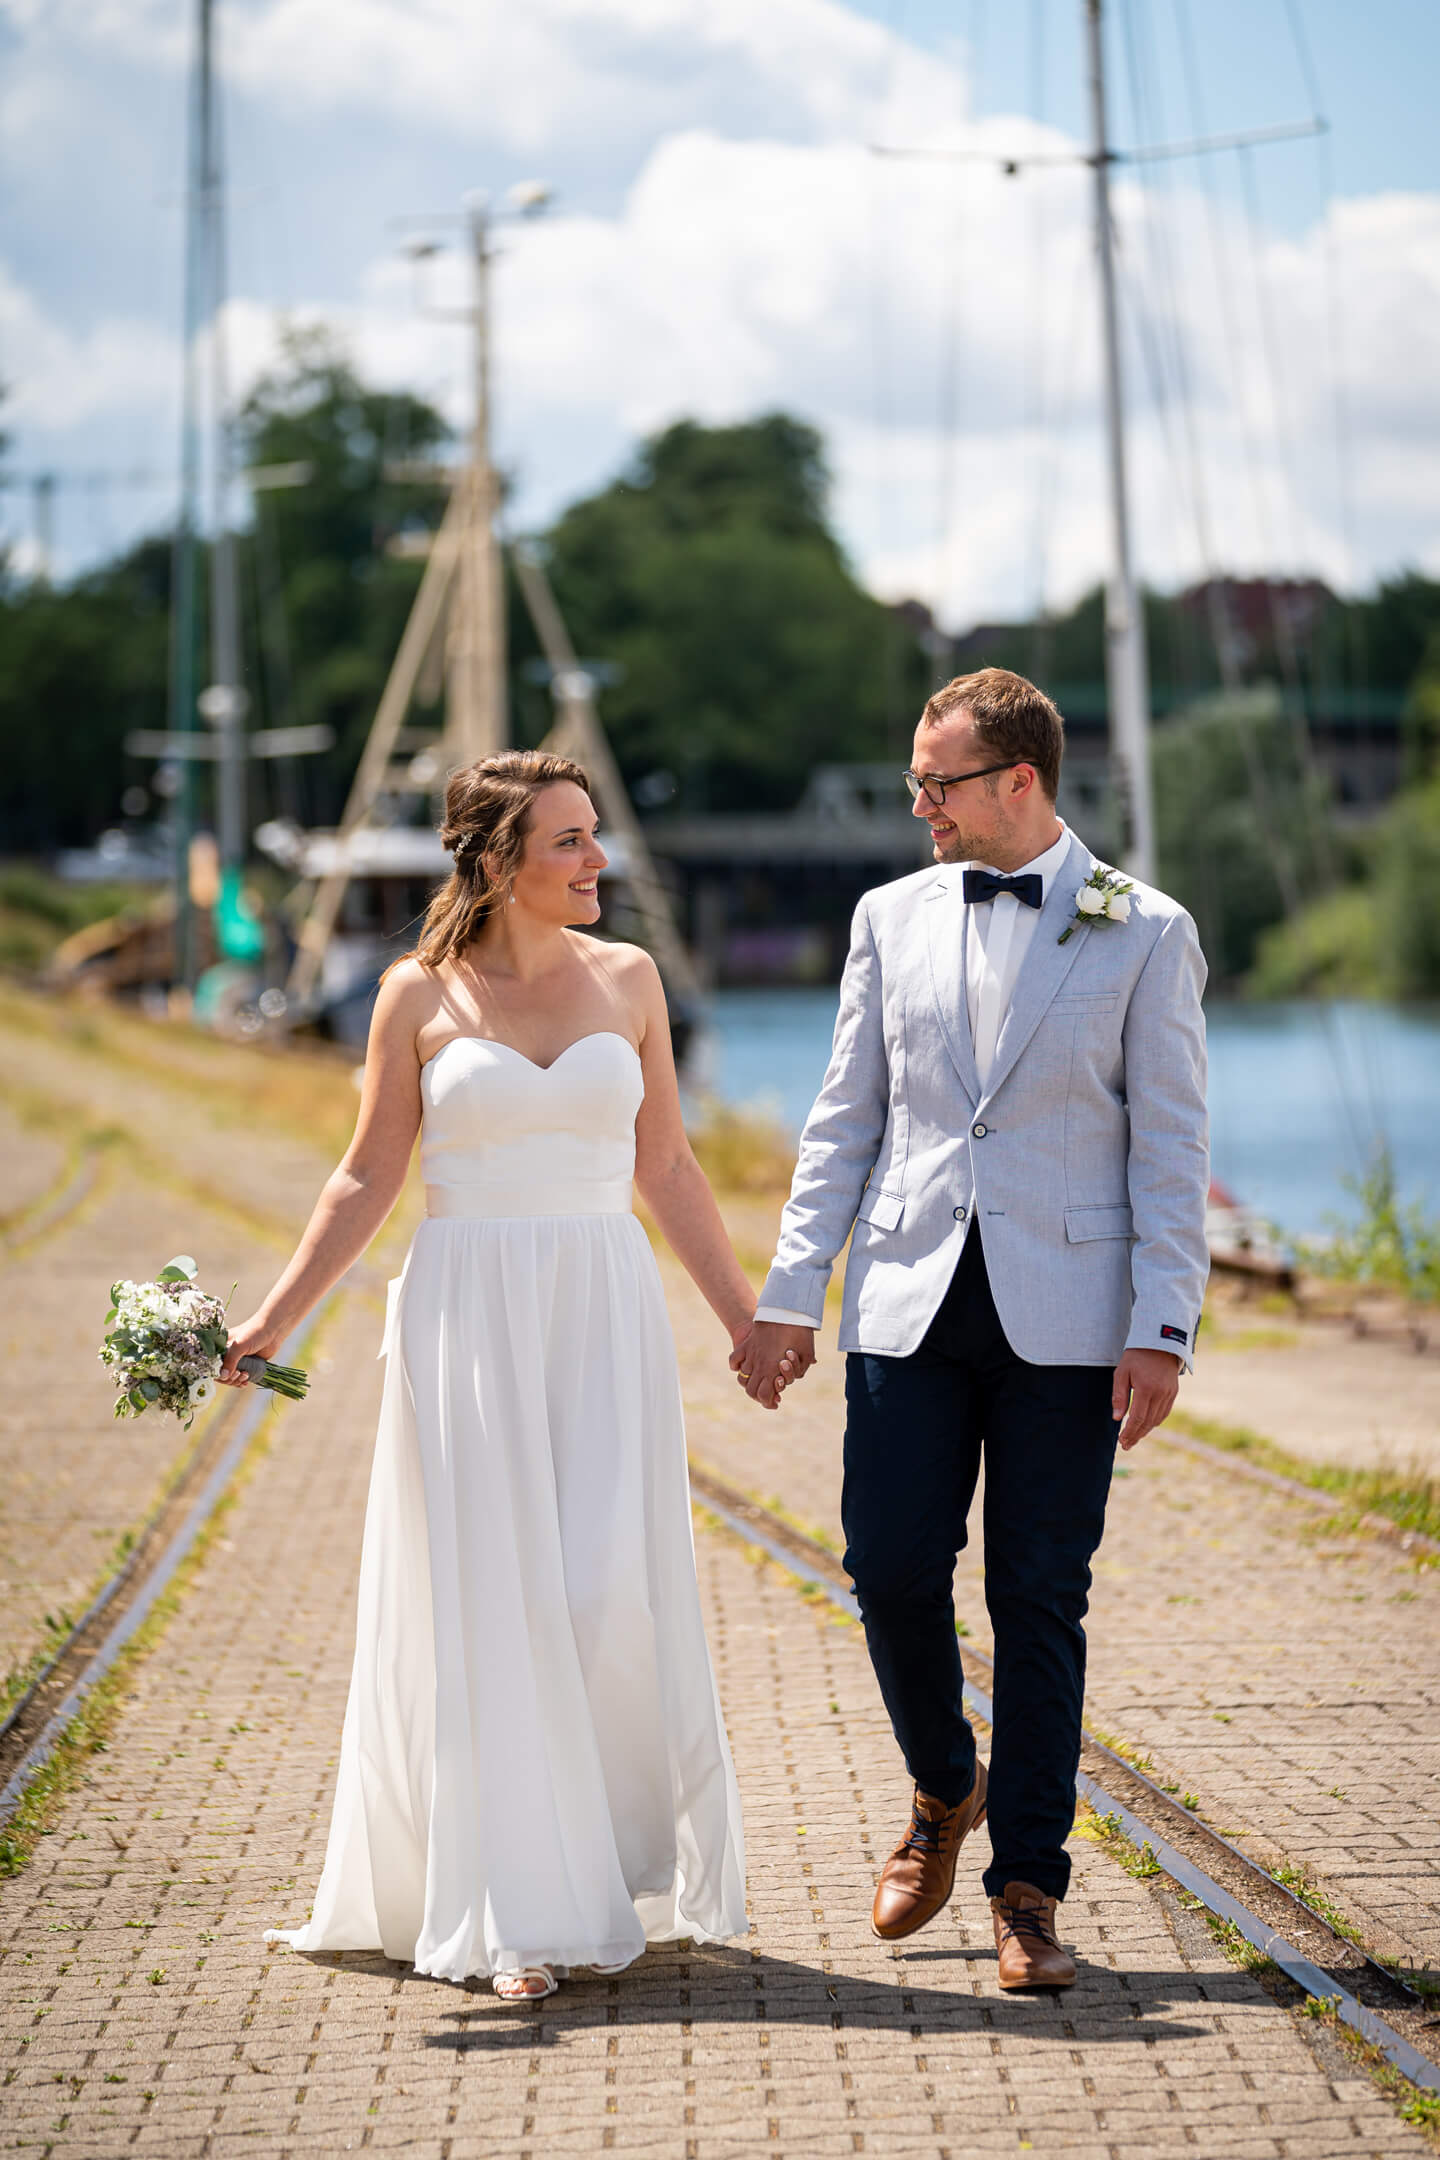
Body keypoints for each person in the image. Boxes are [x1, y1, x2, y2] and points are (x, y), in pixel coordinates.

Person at [226, 751, 781, 2002]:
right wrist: (272, 1318)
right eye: (571, 841)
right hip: (466, 1313)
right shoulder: (415, 996)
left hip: (601, 1306)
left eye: (593, 836)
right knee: (495, 1603)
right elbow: (365, 1176)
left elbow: (672, 1168)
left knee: (596, 1593)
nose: (598, 859)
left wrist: (749, 1322)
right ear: (494, 862)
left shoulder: (631, 979)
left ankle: (600, 1854)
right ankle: (509, 1915)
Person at [735, 669, 1209, 1989]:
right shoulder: (887, 917)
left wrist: (1163, 1325)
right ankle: (946, 1786)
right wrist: (790, 1289)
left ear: (1019, 782)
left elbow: (1172, 1147)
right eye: (912, 780)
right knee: (887, 1565)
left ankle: (1029, 1891)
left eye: (935, 782)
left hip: (1072, 1322)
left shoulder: (1149, 931)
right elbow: (844, 1119)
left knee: (1038, 1599)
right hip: (906, 1298)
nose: (916, 804)